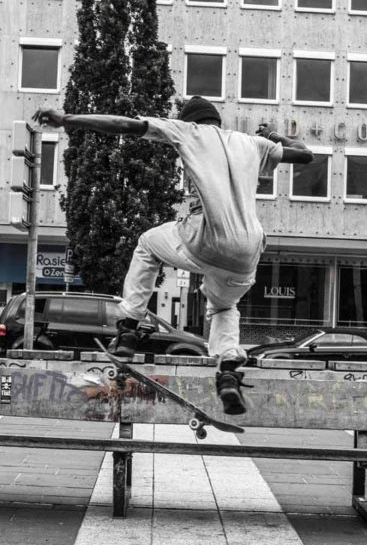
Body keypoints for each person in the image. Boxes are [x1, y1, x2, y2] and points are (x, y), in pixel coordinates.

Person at [32, 97, 313, 415]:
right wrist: (274, 135)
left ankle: (128, 330)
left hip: (206, 237)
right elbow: (305, 154)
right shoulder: (252, 143)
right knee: (224, 307)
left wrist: (67, 119)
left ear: (192, 121)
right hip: (249, 249)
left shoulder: (187, 131)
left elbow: (124, 124)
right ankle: (228, 371)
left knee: (147, 244)